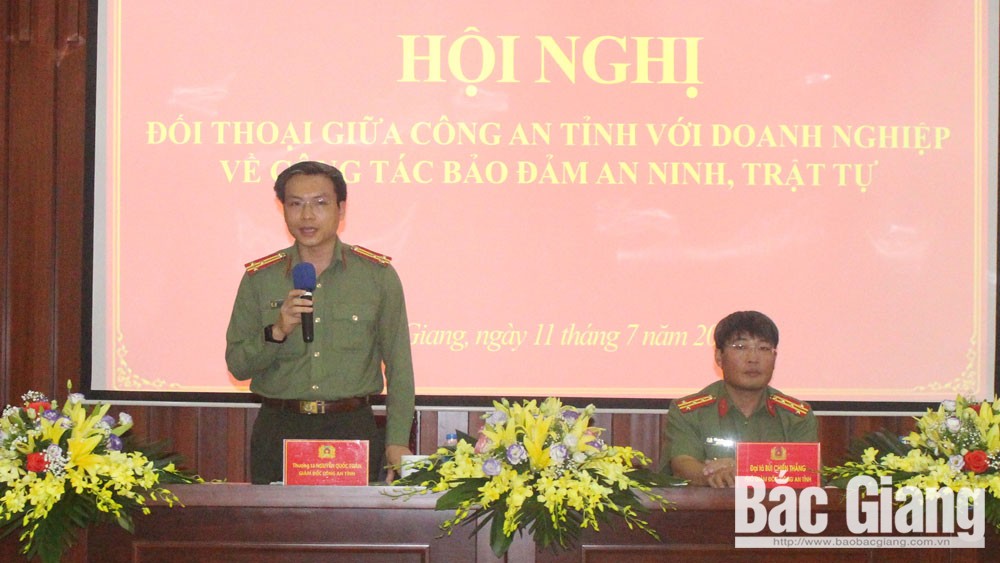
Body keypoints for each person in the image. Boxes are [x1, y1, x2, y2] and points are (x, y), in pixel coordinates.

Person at [225, 161, 415, 484]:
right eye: (296, 204)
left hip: (351, 428)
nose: (307, 215)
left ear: (341, 209)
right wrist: (277, 331)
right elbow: (238, 365)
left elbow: (399, 366)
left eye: (320, 203)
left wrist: (397, 440)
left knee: (352, 520)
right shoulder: (261, 279)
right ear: (283, 209)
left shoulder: (377, 277)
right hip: (279, 428)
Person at [660, 310, 817, 487]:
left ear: (774, 358)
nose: (753, 358)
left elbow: (808, 473)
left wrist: (742, 469)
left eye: (764, 348)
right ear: (719, 357)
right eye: (741, 347)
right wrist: (712, 475)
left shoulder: (796, 416)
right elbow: (682, 465)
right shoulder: (688, 412)